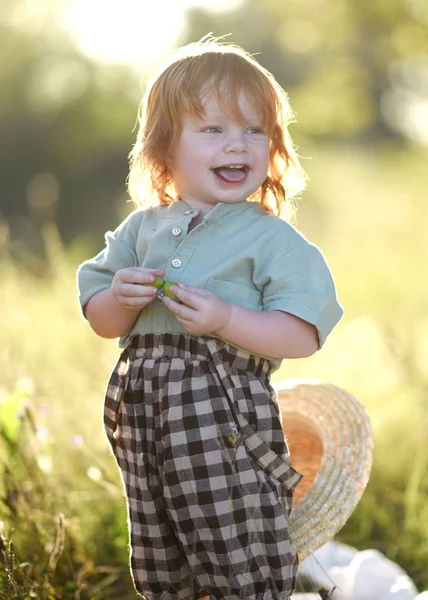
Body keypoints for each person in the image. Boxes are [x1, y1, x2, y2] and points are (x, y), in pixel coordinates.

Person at [77, 38, 343, 600]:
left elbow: (303, 332)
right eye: (214, 129)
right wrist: (121, 297)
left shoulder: (270, 238)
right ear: (164, 148)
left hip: (221, 413)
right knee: (158, 541)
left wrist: (226, 317)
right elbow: (101, 317)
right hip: (144, 416)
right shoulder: (140, 229)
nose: (238, 145)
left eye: (254, 130)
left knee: (233, 532)